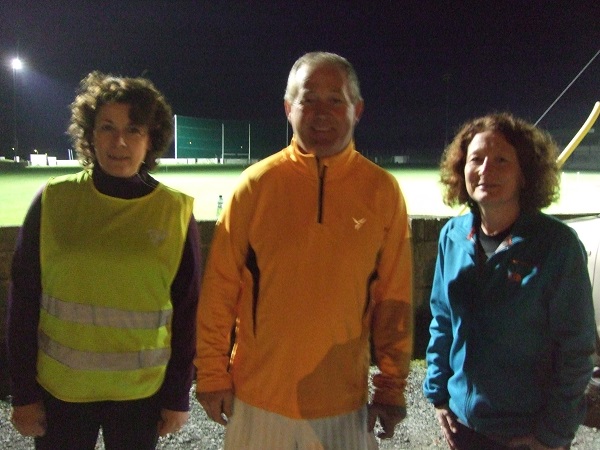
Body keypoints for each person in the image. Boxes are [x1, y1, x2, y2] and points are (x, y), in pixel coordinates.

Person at [194, 51, 413, 449]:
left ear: (357, 109)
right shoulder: (254, 186)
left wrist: (391, 387)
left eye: (336, 99)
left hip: (343, 405)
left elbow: (393, 299)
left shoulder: (382, 191)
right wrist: (211, 375)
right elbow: (219, 291)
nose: (321, 112)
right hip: (258, 402)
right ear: (287, 109)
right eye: (308, 99)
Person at [6, 71, 201, 449]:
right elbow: (24, 301)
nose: (120, 141)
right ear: (90, 135)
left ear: (151, 139)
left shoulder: (174, 211)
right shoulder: (52, 200)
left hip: (140, 395)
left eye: (134, 129)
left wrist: (178, 395)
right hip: (60, 391)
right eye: (107, 127)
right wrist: (24, 394)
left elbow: (187, 310)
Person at [423, 112, 596, 450]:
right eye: (476, 159)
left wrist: (552, 436)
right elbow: (442, 320)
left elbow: (576, 352)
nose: (486, 170)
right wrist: (439, 396)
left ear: (524, 174)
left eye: (501, 160)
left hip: (526, 434)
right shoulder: (453, 236)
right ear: (462, 169)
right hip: (463, 427)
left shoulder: (557, 247)